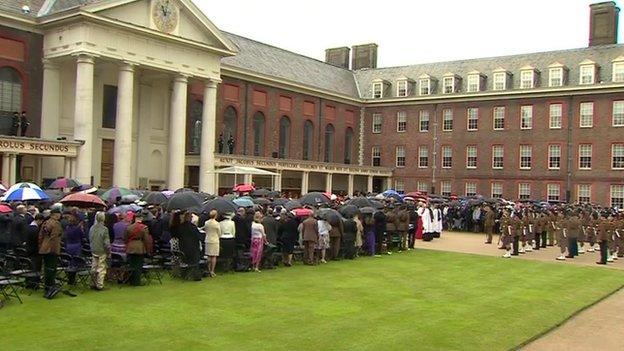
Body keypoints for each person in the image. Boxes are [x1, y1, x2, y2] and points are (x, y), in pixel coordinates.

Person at [39, 208, 63, 298]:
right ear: (55, 214)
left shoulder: (45, 223)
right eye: (59, 214)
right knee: (52, 269)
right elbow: (54, 238)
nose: (60, 216)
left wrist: (41, 247)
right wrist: (54, 250)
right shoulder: (56, 223)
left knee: (46, 268)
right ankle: (50, 288)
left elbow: (40, 236)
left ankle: (47, 287)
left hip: (44, 248)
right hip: (52, 249)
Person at [171, 211, 202, 281]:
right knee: (195, 260)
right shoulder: (193, 227)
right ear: (189, 218)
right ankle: (196, 276)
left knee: (187, 259)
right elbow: (199, 237)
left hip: (183, 249)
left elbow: (176, 236)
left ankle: (185, 274)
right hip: (193, 249)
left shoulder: (180, 227)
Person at [124, 212, 151, 286]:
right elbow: (146, 240)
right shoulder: (144, 227)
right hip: (139, 246)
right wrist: (147, 250)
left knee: (131, 264)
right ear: (141, 219)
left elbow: (125, 238)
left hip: (130, 246)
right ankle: (137, 281)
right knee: (138, 265)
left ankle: (131, 280)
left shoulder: (129, 227)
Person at [89, 212, 110, 290]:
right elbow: (106, 243)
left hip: (93, 249)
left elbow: (90, 238)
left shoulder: (92, 228)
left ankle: (93, 282)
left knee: (94, 267)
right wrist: (108, 252)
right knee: (101, 268)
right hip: (102, 250)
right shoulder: (104, 229)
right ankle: (100, 285)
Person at [203, 210, 221, 277]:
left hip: (208, 239)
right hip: (215, 240)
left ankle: (208, 270)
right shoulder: (217, 223)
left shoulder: (206, 222)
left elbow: (205, 230)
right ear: (216, 215)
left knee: (208, 256)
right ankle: (212, 271)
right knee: (214, 256)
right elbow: (219, 233)